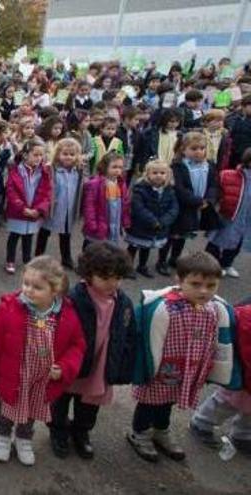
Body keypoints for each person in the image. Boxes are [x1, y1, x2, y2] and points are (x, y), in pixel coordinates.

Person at [0, 255, 85, 466]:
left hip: (41, 378)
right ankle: (2, 436)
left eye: (37, 287)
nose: (28, 290)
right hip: (13, 373)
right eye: (26, 283)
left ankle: (24, 439)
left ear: (54, 291)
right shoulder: (9, 308)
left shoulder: (66, 314)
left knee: (32, 410)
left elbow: (78, 345)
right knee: (6, 407)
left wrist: (64, 367)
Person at [127, 251, 228, 463]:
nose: (203, 291)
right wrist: (149, 368)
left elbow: (213, 340)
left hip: (187, 370)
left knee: (168, 403)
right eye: (196, 283)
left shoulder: (213, 309)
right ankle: (140, 433)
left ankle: (161, 431)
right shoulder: (166, 308)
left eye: (211, 286)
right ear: (179, 280)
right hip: (161, 371)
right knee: (149, 402)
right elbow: (152, 339)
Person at [50, 243, 136, 459]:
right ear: (89, 274)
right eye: (105, 278)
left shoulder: (123, 301)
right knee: (60, 400)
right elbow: (56, 330)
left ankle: (81, 432)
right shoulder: (73, 298)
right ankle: (58, 432)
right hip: (72, 363)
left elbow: (129, 335)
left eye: (117, 278)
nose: (113, 283)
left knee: (90, 404)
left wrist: (123, 365)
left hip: (101, 364)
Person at [189, 298, 251, 455]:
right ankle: (202, 422)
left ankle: (243, 435)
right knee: (228, 400)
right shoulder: (247, 314)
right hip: (244, 371)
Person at [158, 132, 220, 275]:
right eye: (194, 148)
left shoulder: (209, 165)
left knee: (184, 234)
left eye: (202, 148)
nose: (199, 152)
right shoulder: (178, 166)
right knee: (172, 234)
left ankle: (174, 258)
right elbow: (180, 189)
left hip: (197, 206)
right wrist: (197, 201)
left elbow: (213, 185)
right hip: (181, 206)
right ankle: (161, 261)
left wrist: (209, 200)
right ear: (183, 149)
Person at [4, 138, 52, 274]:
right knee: (14, 236)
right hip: (18, 211)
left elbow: (46, 192)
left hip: (34, 209)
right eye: (35, 155)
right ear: (25, 155)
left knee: (28, 237)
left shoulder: (44, 172)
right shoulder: (16, 170)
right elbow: (11, 191)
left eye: (41, 155)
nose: (38, 158)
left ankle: (27, 260)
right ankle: (10, 260)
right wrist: (22, 208)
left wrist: (39, 209)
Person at [126, 159, 179, 278]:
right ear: (147, 174)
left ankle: (142, 266)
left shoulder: (169, 190)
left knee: (147, 247)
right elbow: (138, 207)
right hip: (140, 225)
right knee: (133, 246)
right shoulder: (140, 189)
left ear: (167, 175)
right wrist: (152, 220)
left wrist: (164, 221)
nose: (158, 176)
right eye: (155, 173)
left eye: (162, 173)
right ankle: (127, 267)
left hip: (158, 225)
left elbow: (174, 208)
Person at [35, 138, 82, 269]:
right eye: (65, 154)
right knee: (44, 232)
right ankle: (38, 257)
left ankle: (66, 258)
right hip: (53, 208)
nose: (68, 157)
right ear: (58, 154)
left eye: (72, 154)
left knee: (66, 234)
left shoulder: (78, 171)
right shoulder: (51, 169)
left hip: (68, 208)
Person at [205, 148, 251, 278]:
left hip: (247, 218)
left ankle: (226, 264)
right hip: (229, 214)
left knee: (237, 242)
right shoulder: (230, 175)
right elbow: (216, 191)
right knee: (217, 238)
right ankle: (210, 264)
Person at [81, 151, 130, 247]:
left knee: (109, 248)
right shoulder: (95, 184)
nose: (118, 170)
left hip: (114, 222)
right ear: (105, 167)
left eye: (120, 167)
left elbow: (125, 204)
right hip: (98, 224)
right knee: (92, 247)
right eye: (114, 167)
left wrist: (125, 221)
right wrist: (92, 224)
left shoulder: (121, 184)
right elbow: (89, 206)